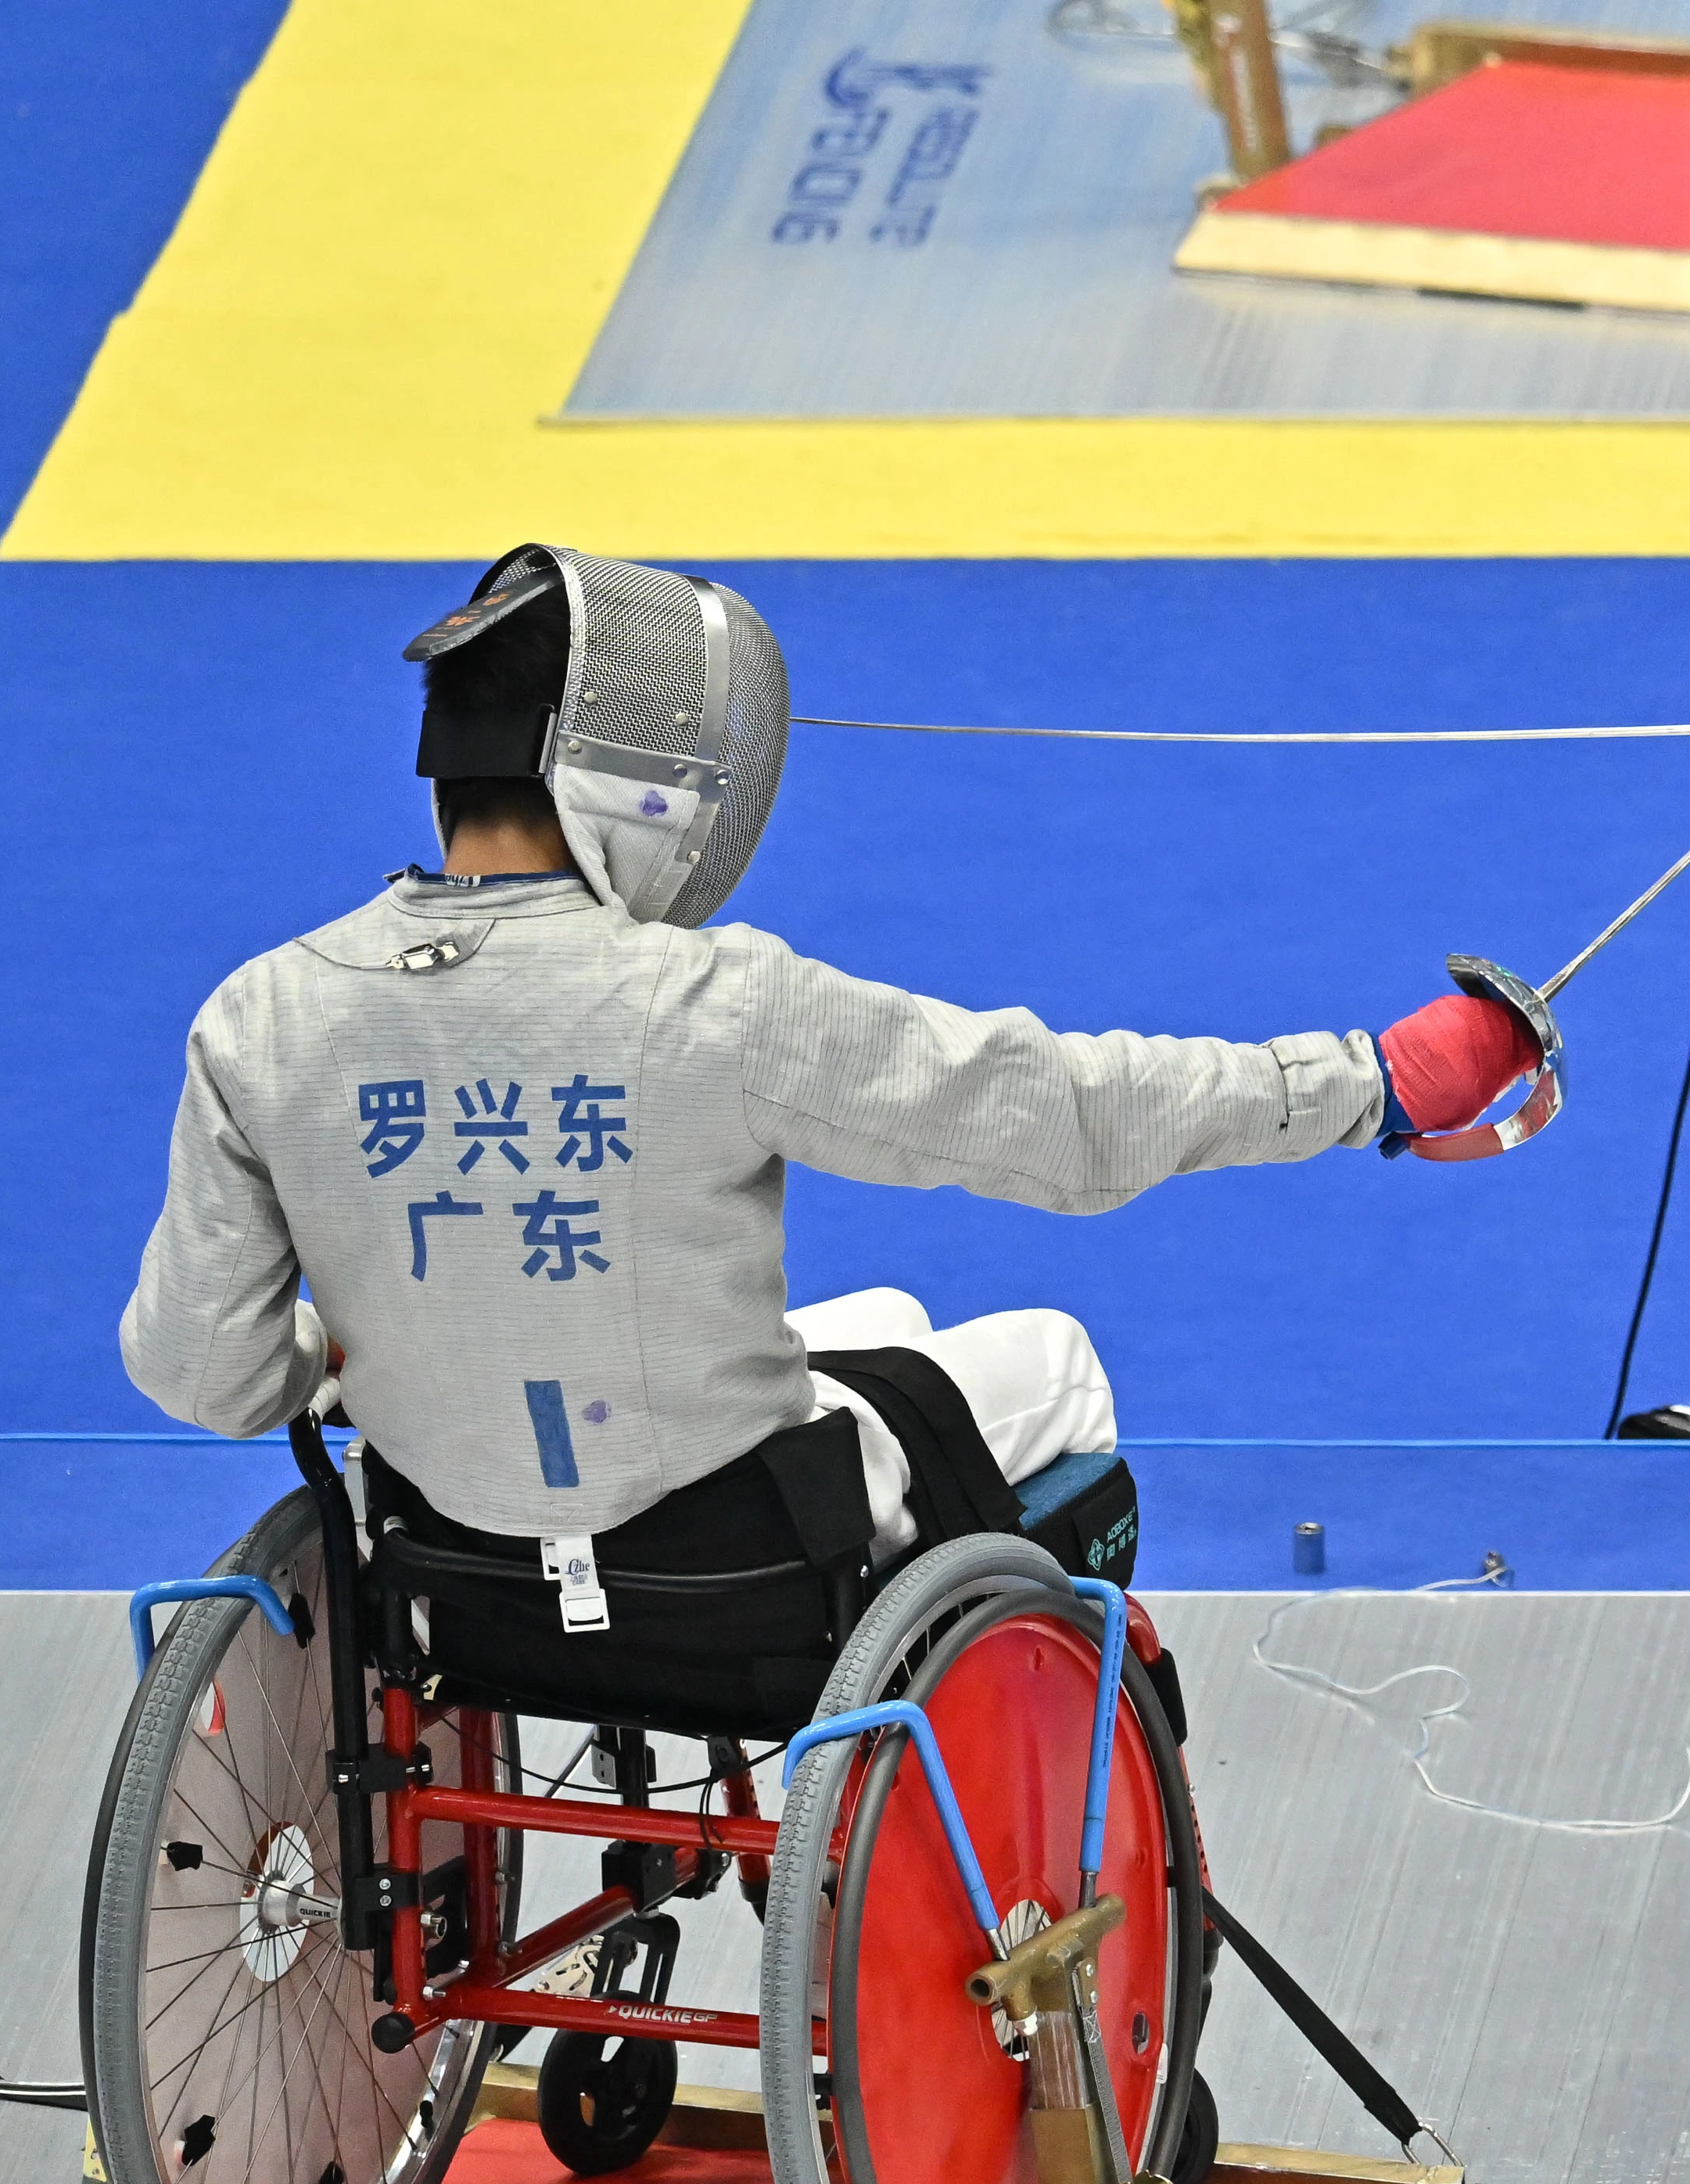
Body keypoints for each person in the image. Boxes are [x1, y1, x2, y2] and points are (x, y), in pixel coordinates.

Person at [121, 544, 1539, 1690]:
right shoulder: (708, 1000)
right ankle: (1056, 1818)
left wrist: (374, 1339)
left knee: (899, 1319)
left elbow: (210, 1373)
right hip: (738, 1563)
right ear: (620, 782)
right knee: (1050, 1358)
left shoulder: (262, 1014)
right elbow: (1064, 1117)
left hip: (457, 1567)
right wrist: (1365, 1080)